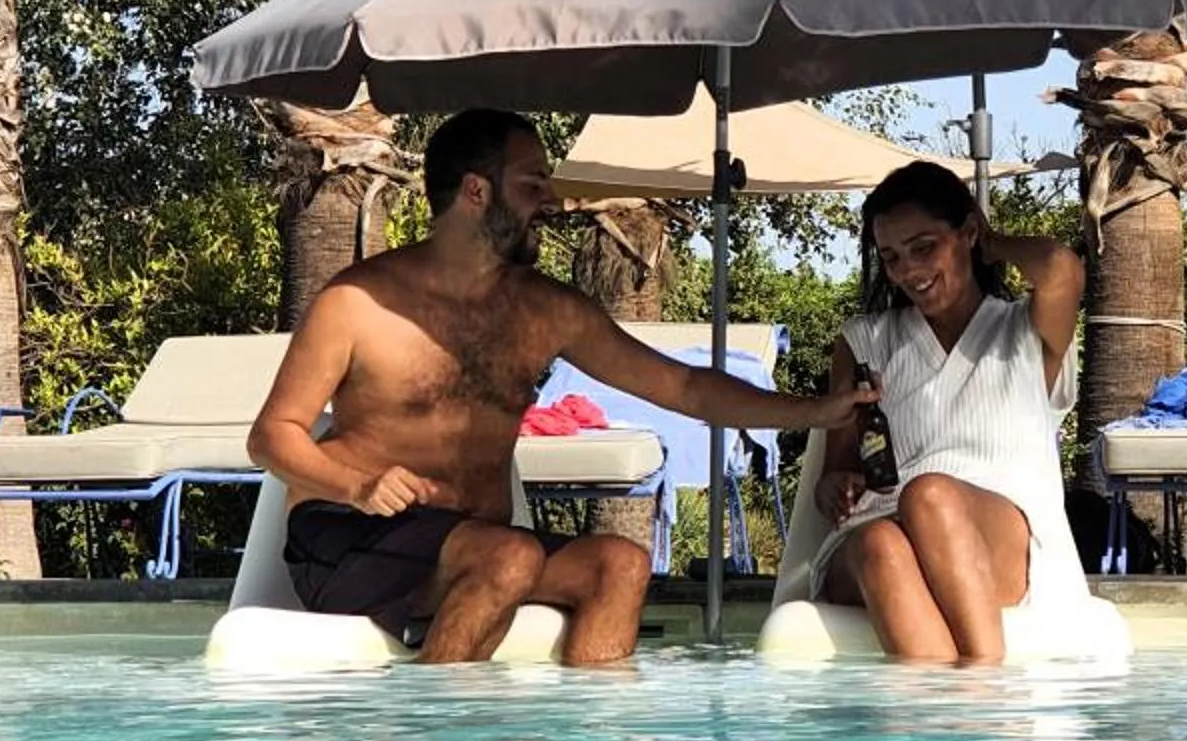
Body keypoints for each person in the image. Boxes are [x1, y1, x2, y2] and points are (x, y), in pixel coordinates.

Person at [247, 109, 874, 666]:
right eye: (533, 183)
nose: (552, 200)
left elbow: (682, 387)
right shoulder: (358, 302)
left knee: (620, 566)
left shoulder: (545, 310)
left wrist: (817, 412)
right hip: (349, 537)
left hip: (475, 544)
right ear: (475, 191)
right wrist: (359, 485)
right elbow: (271, 437)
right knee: (509, 557)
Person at [807, 159, 1088, 666]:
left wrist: (990, 242)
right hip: (877, 538)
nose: (908, 271)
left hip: (1002, 540)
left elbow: (1060, 267)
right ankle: (959, 718)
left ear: (968, 234)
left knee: (930, 495)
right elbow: (838, 469)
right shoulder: (863, 341)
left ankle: (978, 683)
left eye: (924, 247)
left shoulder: (1026, 335)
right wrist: (835, 487)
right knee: (880, 544)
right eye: (891, 257)